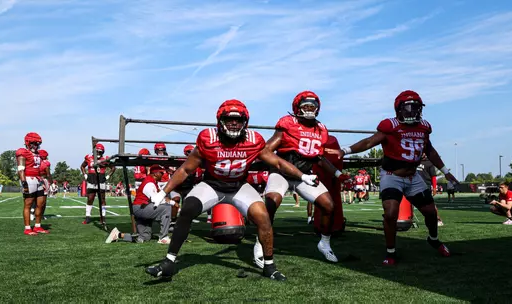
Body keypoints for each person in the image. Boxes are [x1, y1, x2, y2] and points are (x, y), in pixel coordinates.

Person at [145, 99, 319, 281]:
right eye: (229, 119)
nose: (234, 123)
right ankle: (169, 262)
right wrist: (163, 192)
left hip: (238, 186)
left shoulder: (253, 140)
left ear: (245, 122)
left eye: (238, 120)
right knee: (188, 209)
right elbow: (186, 169)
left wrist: (301, 176)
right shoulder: (208, 138)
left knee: (263, 217)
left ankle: (269, 266)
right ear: (220, 121)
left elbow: (277, 161)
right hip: (212, 185)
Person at [326, 90, 458, 265]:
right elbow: (368, 142)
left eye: (415, 107)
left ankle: (433, 239)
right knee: (390, 214)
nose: (412, 112)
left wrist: (446, 171)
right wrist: (345, 151)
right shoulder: (391, 126)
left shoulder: (424, 127)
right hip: (392, 175)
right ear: (398, 109)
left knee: (430, 213)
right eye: (408, 108)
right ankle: (391, 251)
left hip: (413, 176)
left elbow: (430, 151)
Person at [256, 90, 350, 267]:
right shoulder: (288, 124)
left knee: (329, 205)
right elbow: (266, 150)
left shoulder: (320, 129)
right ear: (297, 108)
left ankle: (324, 243)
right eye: (305, 106)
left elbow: (319, 158)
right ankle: (260, 243)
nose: (309, 109)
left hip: (304, 177)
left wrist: (338, 174)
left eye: (312, 106)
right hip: (282, 173)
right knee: (271, 203)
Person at [106, 165, 176, 244]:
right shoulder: (149, 183)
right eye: (161, 173)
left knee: (144, 237)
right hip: (141, 208)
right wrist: (172, 202)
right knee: (166, 208)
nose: (163, 175)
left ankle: (118, 235)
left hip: (142, 208)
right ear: (155, 174)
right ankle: (163, 237)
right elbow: (155, 200)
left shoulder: (152, 182)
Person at [16, 132, 49, 235]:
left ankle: (37, 226)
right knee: (28, 204)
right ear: (28, 143)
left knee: (40, 204)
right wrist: (24, 183)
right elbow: (21, 169)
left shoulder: (39, 154)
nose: (36, 145)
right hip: (28, 179)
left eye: (37, 143)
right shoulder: (23, 152)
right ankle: (27, 228)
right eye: (34, 143)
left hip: (38, 179)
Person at [80, 143, 115, 225]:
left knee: (102, 199)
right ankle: (88, 217)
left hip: (101, 180)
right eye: (97, 151)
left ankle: (103, 217)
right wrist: (85, 175)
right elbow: (82, 166)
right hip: (91, 179)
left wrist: (107, 176)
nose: (99, 153)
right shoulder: (88, 157)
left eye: (100, 152)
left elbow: (113, 168)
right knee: (90, 198)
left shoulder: (105, 159)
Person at [417, 153, 444, 226]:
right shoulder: (415, 161)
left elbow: (433, 177)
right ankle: (409, 219)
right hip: (415, 186)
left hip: (426, 186)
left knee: (430, 205)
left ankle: (437, 219)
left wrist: (434, 188)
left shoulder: (429, 163)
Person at [38, 149, 52, 220]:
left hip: (35, 179)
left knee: (33, 198)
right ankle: (41, 215)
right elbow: (48, 174)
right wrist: (52, 183)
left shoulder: (34, 162)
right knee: (43, 199)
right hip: (43, 179)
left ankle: (32, 212)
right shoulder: (46, 163)